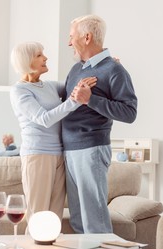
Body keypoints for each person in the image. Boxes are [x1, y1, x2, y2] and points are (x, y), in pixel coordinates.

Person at [61, 15, 138, 234]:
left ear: (87, 37)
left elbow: (130, 112)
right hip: (70, 150)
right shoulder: (76, 70)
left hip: (91, 150)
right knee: (78, 222)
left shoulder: (115, 70)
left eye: (71, 36)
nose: (68, 43)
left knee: (95, 224)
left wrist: (90, 99)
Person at [9, 41, 97, 227]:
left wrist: (105, 65)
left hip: (59, 155)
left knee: (54, 217)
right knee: (38, 215)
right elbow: (45, 118)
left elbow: (75, 84)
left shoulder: (48, 86)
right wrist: (74, 100)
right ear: (27, 60)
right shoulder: (19, 90)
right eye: (39, 55)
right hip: (37, 155)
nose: (45, 57)